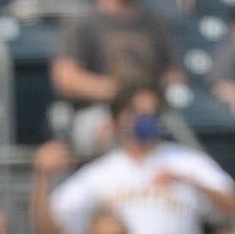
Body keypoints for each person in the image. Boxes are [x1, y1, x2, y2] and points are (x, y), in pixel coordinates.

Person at [31, 82, 235, 234]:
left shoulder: (186, 161)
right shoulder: (102, 172)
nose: (144, 120)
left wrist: (191, 182)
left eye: (151, 113)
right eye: (136, 113)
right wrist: (41, 177)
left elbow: (231, 204)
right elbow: (48, 230)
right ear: (117, 118)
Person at [50, 0, 182, 159]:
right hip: (99, 110)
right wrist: (125, 96)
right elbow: (66, 79)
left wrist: (152, 96)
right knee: (104, 128)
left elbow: (174, 74)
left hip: (150, 109)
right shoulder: (84, 22)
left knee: (177, 129)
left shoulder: (155, 21)